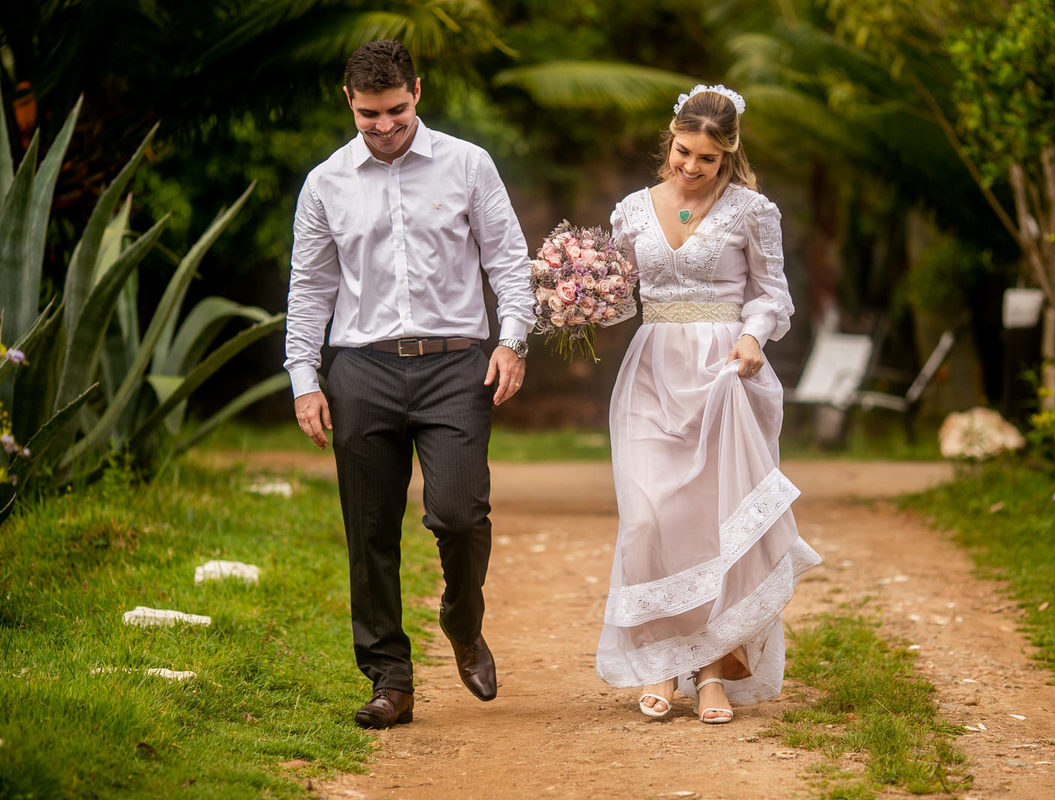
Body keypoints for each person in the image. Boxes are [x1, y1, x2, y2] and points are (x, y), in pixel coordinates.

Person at [284, 39, 534, 729]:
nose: (386, 126)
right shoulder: (326, 182)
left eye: (396, 110)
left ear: (416, 92)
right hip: (360, 369)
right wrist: (306, 379)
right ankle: (390, 679)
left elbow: (509, 263)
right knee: (369, 530)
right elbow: (309, 290)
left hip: (456, 365)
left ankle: (461, 616)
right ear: (349, 102)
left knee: (458, 514)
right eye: (370, 115)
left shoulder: (467, 165)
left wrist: (512, 342)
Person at [595, 85, 821, 723]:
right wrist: (577, 296)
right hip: (651, 372)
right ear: (669, 139)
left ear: (728, 158)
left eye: (706, 159)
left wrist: (753, 336)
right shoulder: (631, 211)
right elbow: (618, 295)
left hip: (726, 373)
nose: (690, 168)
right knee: (646, 519)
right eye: (682, 151)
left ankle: (714, 671)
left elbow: (773, 294)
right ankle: (663, 664)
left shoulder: (752, 211)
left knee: (710, 526)